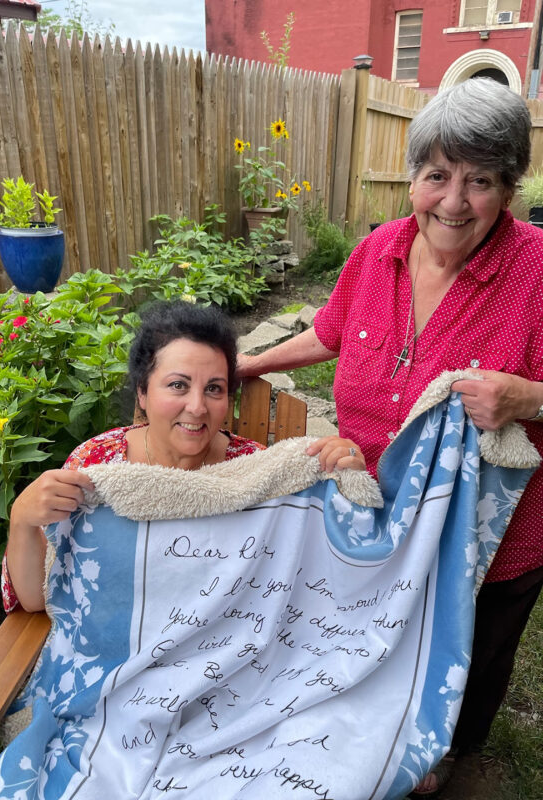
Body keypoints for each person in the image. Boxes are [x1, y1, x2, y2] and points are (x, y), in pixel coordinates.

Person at [238, 77, 543, 796]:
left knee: (475, 647)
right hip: (375, 511)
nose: (453, 201)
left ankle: (450, 748)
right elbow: (329, 331)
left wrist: (528, 396)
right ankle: (383, 726)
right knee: (384, 636)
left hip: (492, 538)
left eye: (480, 181)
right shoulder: (378, 251)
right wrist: (247, 361)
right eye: (437, 176)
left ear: (510, 188)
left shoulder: (537, 270)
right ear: (413, 176)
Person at [3, 299, 364, 614]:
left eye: (214, 389)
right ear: (142, 393)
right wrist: (21, 518)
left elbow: (317, 570)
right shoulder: (96, 464)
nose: (197, 407)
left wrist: (344, 480)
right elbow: (39, 599)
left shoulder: (257, 472)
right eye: (178, 385)